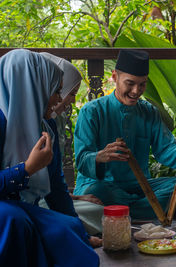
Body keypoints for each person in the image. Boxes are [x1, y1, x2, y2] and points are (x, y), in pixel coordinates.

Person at [73, 49, 176, 220]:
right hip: (102, 185)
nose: (136, 91)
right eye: (130, 83)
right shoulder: (91, 112)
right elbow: (81, 159)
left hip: (138, 185)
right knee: (96, 192)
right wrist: (100, 156)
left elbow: (165, 149)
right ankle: (152, 208)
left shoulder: (149, 112)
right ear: (115, 77)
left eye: (142, 84)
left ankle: (124, 211)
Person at [0, 49, 99, 266]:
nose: (58, 98)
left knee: (72, 234)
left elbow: (56, 186)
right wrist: (26, 169)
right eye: (56, 90)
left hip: (25, 208)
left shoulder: (46, 126)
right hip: (8, 211)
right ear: (30, 87)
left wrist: (80, 232)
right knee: (14, 220)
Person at [40, 52, 104, 237]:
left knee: (99, 211)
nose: (68, 100)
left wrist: (76, 197)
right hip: (34, 201)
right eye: (70, 93)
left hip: (53, 197)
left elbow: (55, 181)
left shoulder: (53, 122)